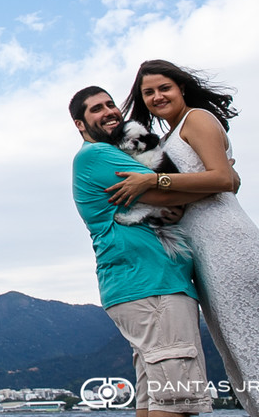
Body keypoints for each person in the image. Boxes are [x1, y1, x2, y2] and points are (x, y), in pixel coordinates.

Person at [106, 60, 259, 417]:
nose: (157, 96)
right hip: (200, 254)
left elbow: (222, 180)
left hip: (227, 241)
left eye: (164, 88)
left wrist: (154, 182)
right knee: (238, 350)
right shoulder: (166, 139)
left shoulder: (198, 118)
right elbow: (222, 180)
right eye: (149, 92)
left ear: (181, 88)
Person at [71, 85, 213, 417]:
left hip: (138, 287)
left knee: (155, 401)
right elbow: (173, 192)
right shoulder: (98, 156)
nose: (109, 111)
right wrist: (220, 176)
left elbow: (166, 192)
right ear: (80, 124)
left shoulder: (107, 155)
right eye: (96, 109)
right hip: (152, 286)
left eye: (110, 104)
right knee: (178, 403)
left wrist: (170, 193)